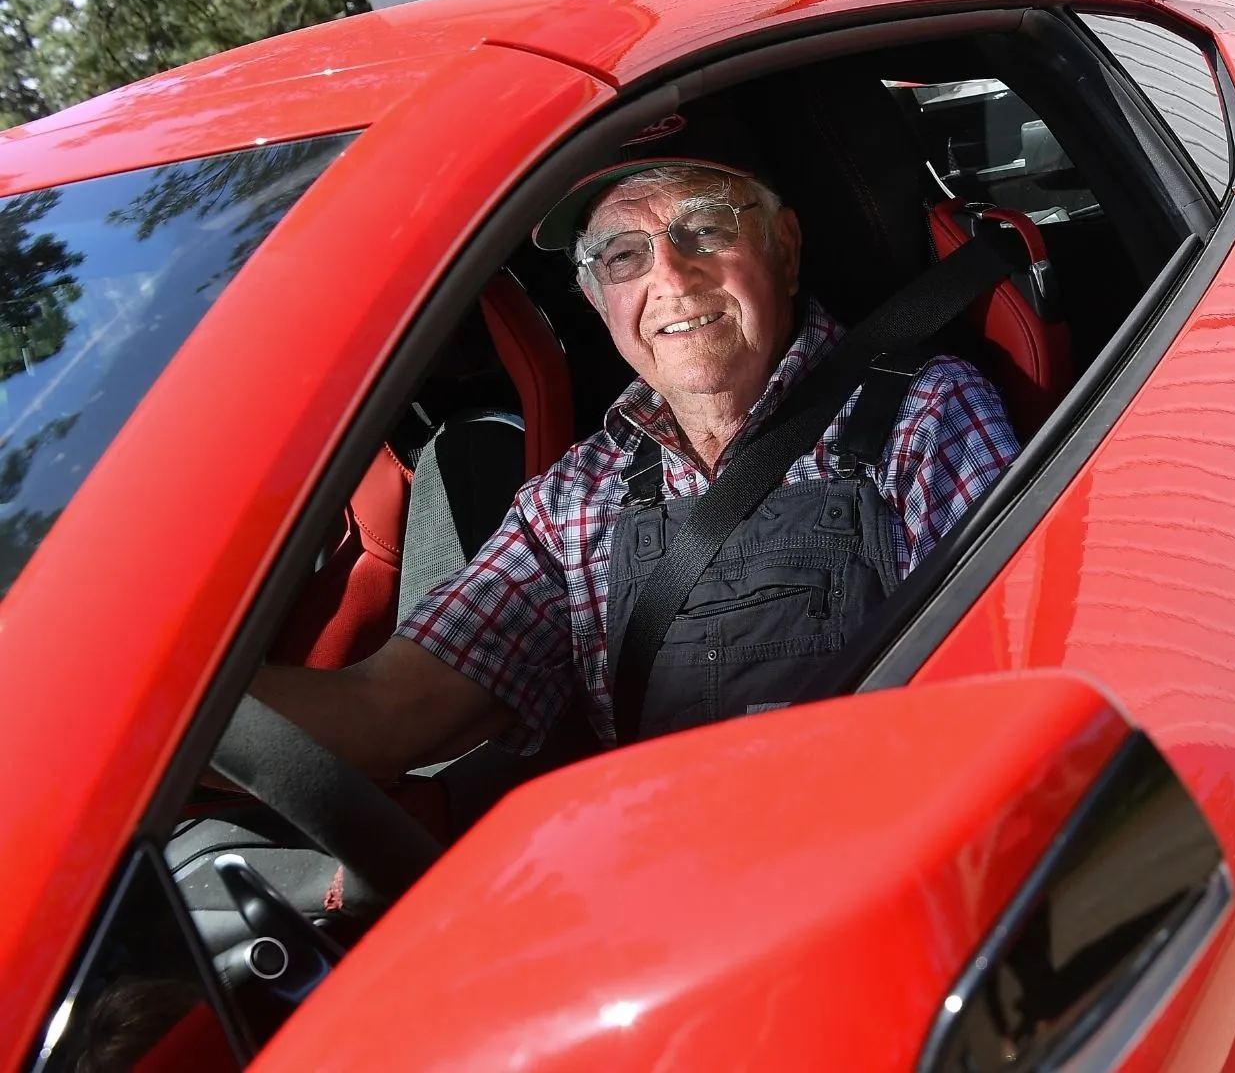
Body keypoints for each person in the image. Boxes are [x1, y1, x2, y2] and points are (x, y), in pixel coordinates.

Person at [253, 107, 1020, 780]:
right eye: (623, 255)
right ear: (595, 297)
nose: (674, 281)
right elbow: (395, 709)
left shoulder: (922, 412)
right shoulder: (578, 497)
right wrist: (156, 716)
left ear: (784, 249)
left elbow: (1010, 680)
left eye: (707, 228)